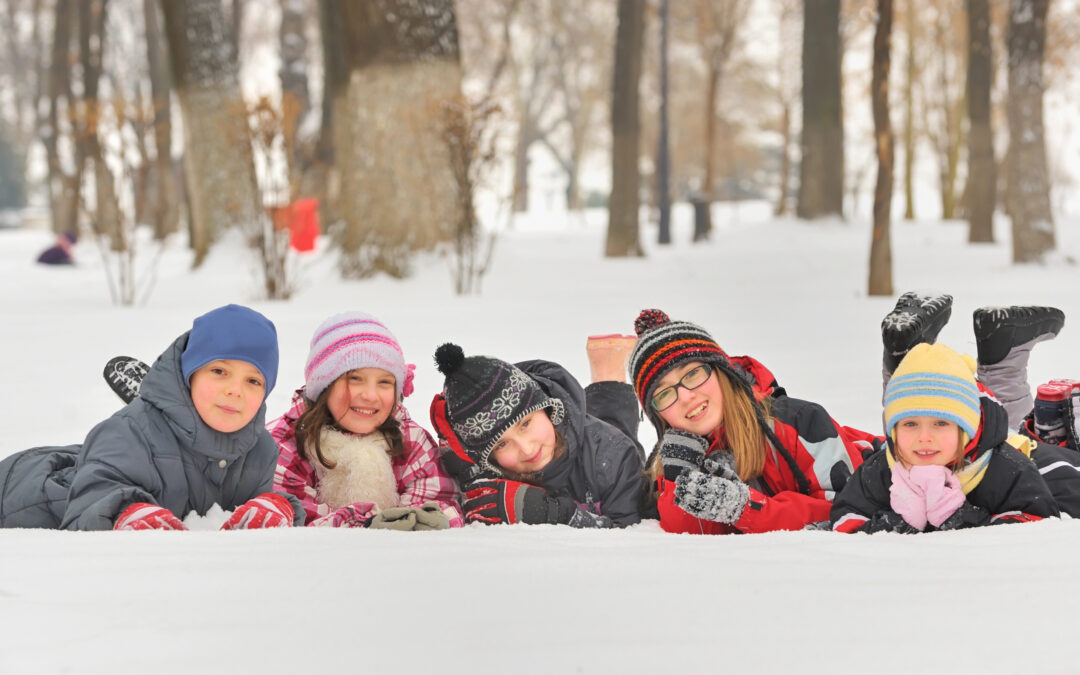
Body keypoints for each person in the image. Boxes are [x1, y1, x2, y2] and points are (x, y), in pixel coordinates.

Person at [0, 304, 302, 531]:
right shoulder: (127, 432)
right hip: (21, 493)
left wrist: (274, 507)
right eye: (219, 371)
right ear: (189, 374)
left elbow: (253, 506)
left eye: (253, 381)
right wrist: (124, 513)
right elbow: (88, 502)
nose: (235, 390)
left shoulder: (260, 449)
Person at [629, 309, 878, 535]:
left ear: (722, 371)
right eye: (664, 394)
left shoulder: (800, 423)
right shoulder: (667, 467)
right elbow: (696, 547)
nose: (685, 397)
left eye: (692, 373)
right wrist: (679, 485)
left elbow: (849, 513)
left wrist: (746, 508)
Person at [830, 343, 1060, 533]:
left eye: (941, 423)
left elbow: (1038, 525)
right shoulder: (880, 469)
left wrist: (958, 517)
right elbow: (845, 519)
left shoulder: (1005, 469)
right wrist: (898, 523)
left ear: (966, 429)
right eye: (910, 424)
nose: (924, 437)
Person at [270, 312, 463, 530]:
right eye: (355, 379)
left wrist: (422, 520)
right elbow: (293, 519)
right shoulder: (287, 442)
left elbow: (440, 503)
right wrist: (369, 525)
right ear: (324, 385)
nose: (370, 396)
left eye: (384, 382)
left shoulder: (411, 441)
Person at [428, 341, 646, 528]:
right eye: (502, 444)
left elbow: (629, 537)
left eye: (525, 424)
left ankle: (608, 374)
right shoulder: (475, 467)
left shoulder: (615, 454)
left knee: (614, 426)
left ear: (546, 408)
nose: (527, 449)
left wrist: (560, 515)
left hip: (598, 451)